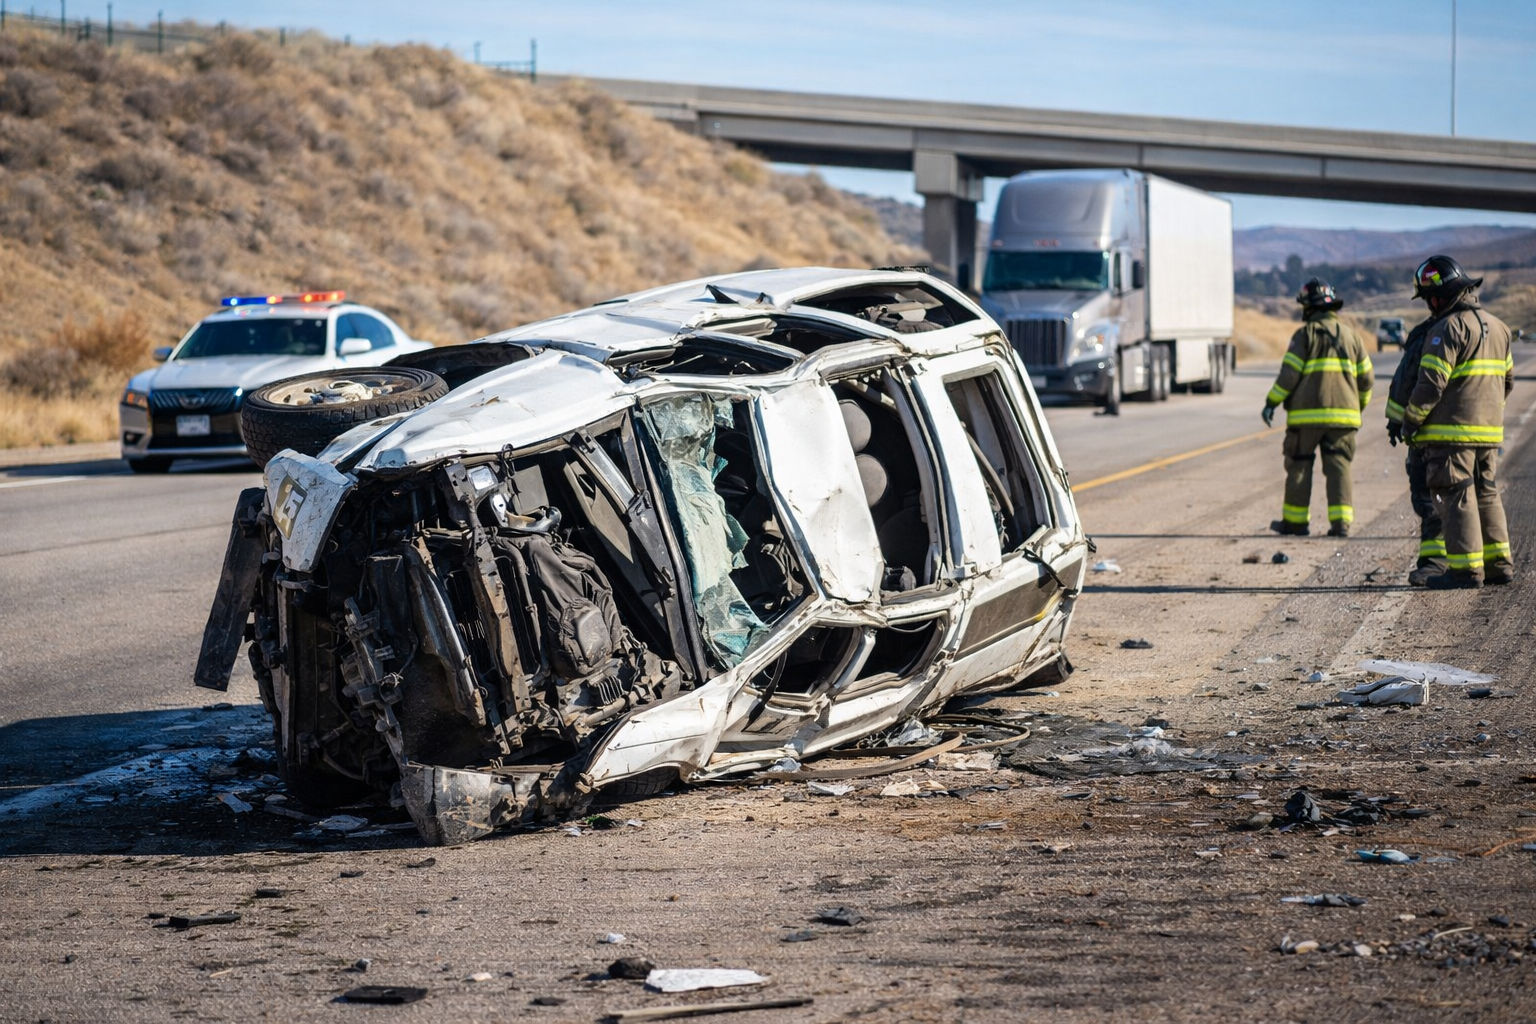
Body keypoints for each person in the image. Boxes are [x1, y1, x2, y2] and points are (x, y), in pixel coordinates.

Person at [1398, 255, 1515, 589]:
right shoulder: (1500, 328)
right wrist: (1488, 416)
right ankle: (1499, 564)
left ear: (1439, 297)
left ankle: (1465, 571)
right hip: (1488, 433)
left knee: (1457, 493)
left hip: (1452, 435)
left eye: (1429, 299)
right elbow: (1506, 382)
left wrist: (1411, 422)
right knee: (1487, 493)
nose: (1429, 306)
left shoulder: (1445, 329)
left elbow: (1430, 384)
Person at [1262, 278, 1374, 537]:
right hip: (1344, 419)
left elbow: (1289, 375)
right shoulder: (1353, 337)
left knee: (1299, 465)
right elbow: (1367, 380)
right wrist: (1357, 406)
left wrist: (1271, 402)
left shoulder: (1304, 335)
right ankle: (1341, 524)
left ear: (1308, 308)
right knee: (1339, 466)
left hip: (1306, 420)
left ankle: (1296, 523)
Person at [1385, 314, 1447, 585]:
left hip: (1431, 431)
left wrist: (1401, 421)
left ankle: (1435, 563)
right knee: (1477, 493)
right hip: (1477, 431)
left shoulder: (1429, 333)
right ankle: (1488, 562)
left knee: (1429, 496)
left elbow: (1409, 381)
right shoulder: (1479, 327)